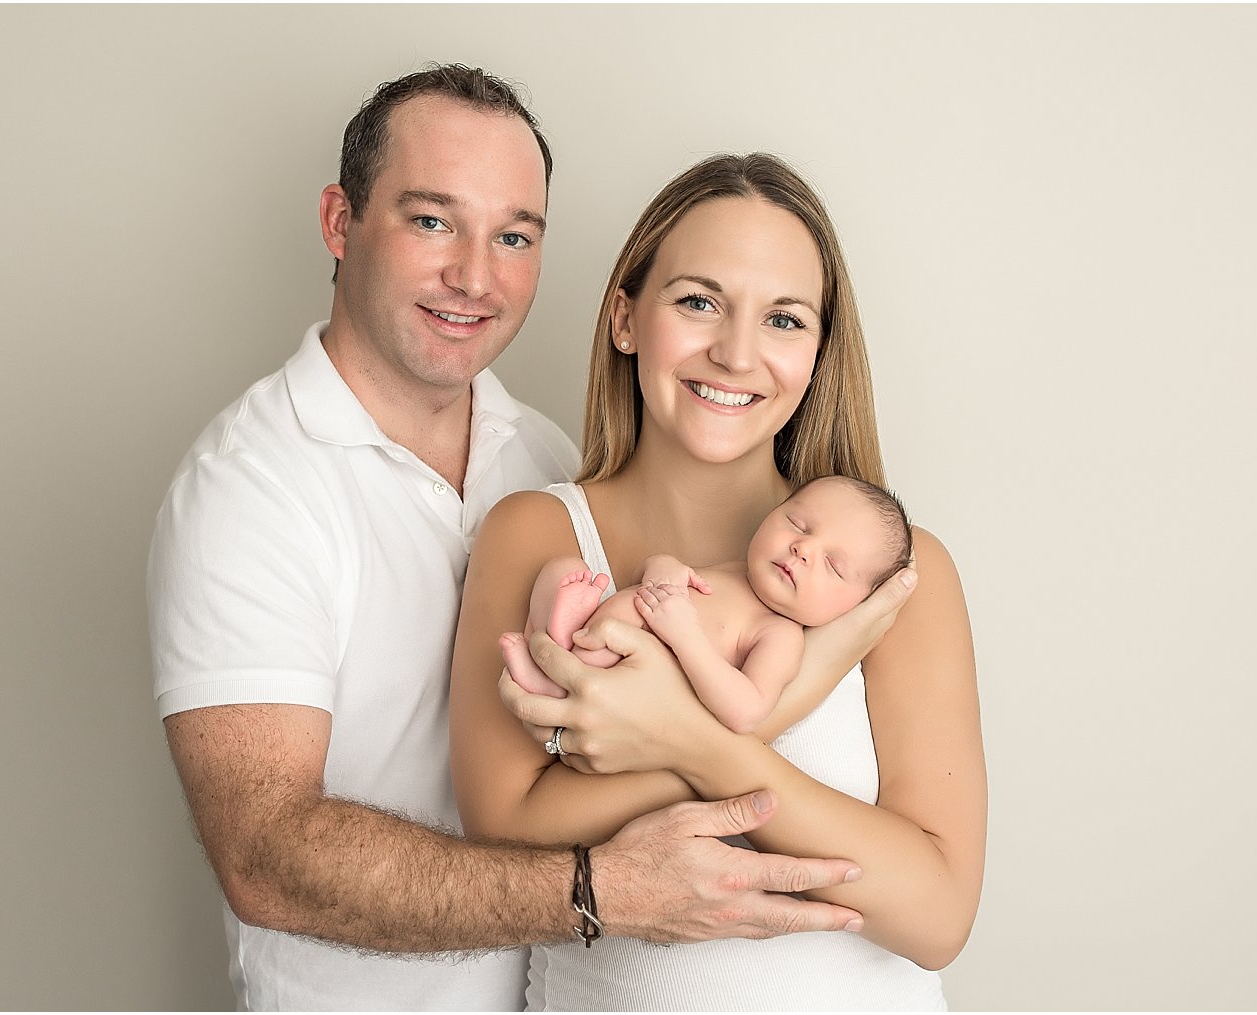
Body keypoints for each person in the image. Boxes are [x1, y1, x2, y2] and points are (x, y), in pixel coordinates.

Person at [149, 66, 910, 1012]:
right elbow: (264, 855)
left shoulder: (544, 463)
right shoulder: (251, 489)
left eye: (513, 235)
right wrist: (601, 891)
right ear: (340, 223)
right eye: (432, 220)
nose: (475, 274)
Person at [449, 153, 985, 1010]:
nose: (737, 354)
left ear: (817, 352)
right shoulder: (539, 533)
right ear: (625, 317)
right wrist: (793, 692)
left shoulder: (888, 578)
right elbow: (507, 827)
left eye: (784, 318)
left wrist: (691, 744)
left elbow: (937, 913)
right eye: (699, 301)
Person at [508, 475, 912, 736]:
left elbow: (747, 710)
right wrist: (662, 569)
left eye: (833, 565)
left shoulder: (780, 635)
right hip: (599, 629)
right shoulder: (736, 571)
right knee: (563, 569)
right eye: (798, 524)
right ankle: (550, 643)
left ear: (855, 607)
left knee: (586, 652)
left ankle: (550, 679)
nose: (802, 548)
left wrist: (685, 637)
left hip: (627, 685)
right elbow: (649, 574)